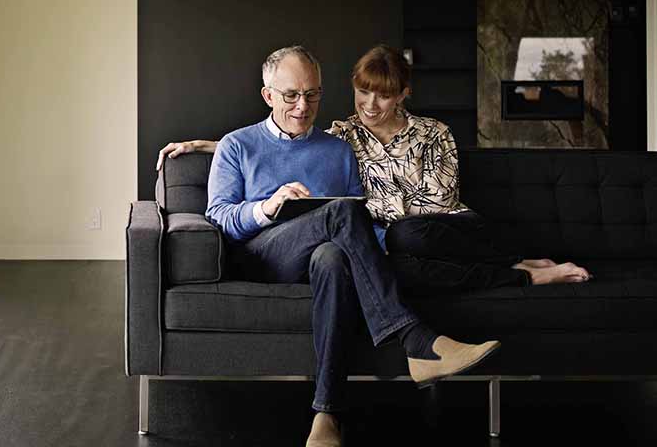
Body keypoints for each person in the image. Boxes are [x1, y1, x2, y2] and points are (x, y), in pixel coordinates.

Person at [202, 45, 499, 447]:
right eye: (291, 95)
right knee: (340, 213)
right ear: (268, 95)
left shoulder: (338, 150)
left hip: (320, 260)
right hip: (261, 255)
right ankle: (416, 339)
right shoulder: (236, 145)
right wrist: (268, 207)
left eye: (312, 94)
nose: (303, 106)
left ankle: (326, 415)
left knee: (333, 255)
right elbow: (218, 216)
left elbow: (359, 225)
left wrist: (386, 258)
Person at [160, 44, 592, 293]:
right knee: (396, 263)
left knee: (405, 234)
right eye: (362, 93)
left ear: (402, 94)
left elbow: (438, 201)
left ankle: (513, 255)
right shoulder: (345, 134)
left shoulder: (433, 132)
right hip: (391, 241)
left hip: (446, 229)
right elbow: (283, 137)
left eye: (383, 96)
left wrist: (370, 217)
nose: (370, 105)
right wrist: (205, 146)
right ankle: (522, 275)